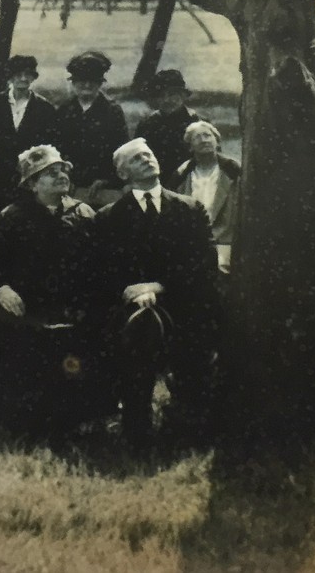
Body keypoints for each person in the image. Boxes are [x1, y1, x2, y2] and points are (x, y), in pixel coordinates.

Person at [82, 138, 220, 450]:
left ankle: (187, 427)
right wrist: (130, 291)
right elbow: (101, 271)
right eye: (136, 159)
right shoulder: (109, 217)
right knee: (135, 334)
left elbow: (203, 263)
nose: (147, 160)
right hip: (129, 307)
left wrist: (159, 287)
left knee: (196, 344)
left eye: (149, 154)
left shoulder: (189, 208)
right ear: (122, 174)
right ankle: (136, 429)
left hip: (181, 303)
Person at [0, 145, 96, 437]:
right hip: (22, 304)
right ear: (33, 184)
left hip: (67, 305)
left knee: (85, 340)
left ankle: (85, 417)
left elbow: (95, 269)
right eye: (51, 173)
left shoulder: (83, 215)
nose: (61, 176)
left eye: (63, 170)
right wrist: (2, 289)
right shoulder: (12, 216)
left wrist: (82, 302)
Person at [166, 120, 240, 276]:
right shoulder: (182, 174)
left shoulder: (233, 170)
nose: (204, 140)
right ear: (190, 147)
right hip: (191, 241)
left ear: (217, 141)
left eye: (208, 135)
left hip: (226, 241)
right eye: (197, 137)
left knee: (217, 269)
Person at [55, 51, 129, 203]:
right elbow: (56, 147)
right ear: (73, 82)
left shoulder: (112, 111)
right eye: (82, 81)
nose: (87, 85)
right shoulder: (64, 110)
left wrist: (107, 180)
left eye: (93, 81)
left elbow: (122, 150)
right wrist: (64, 176)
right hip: (68, 184)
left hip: (103, 187)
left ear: (100, 83)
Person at [0, 54, 57, 162]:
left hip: (31, 167)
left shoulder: (44, 108)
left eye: (27, 74)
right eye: (18, 74)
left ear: (33, 77)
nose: (23, 78)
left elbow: (48, 144)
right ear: (10, 77)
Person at [136, 69, 199, 181]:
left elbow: (212, 160)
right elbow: (137, 160)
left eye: (172, 95)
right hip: (156, 183)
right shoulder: (147, 125)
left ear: (183, 96)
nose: (166, 100)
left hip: (190, 182)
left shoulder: (197, 122)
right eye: (161, 96)